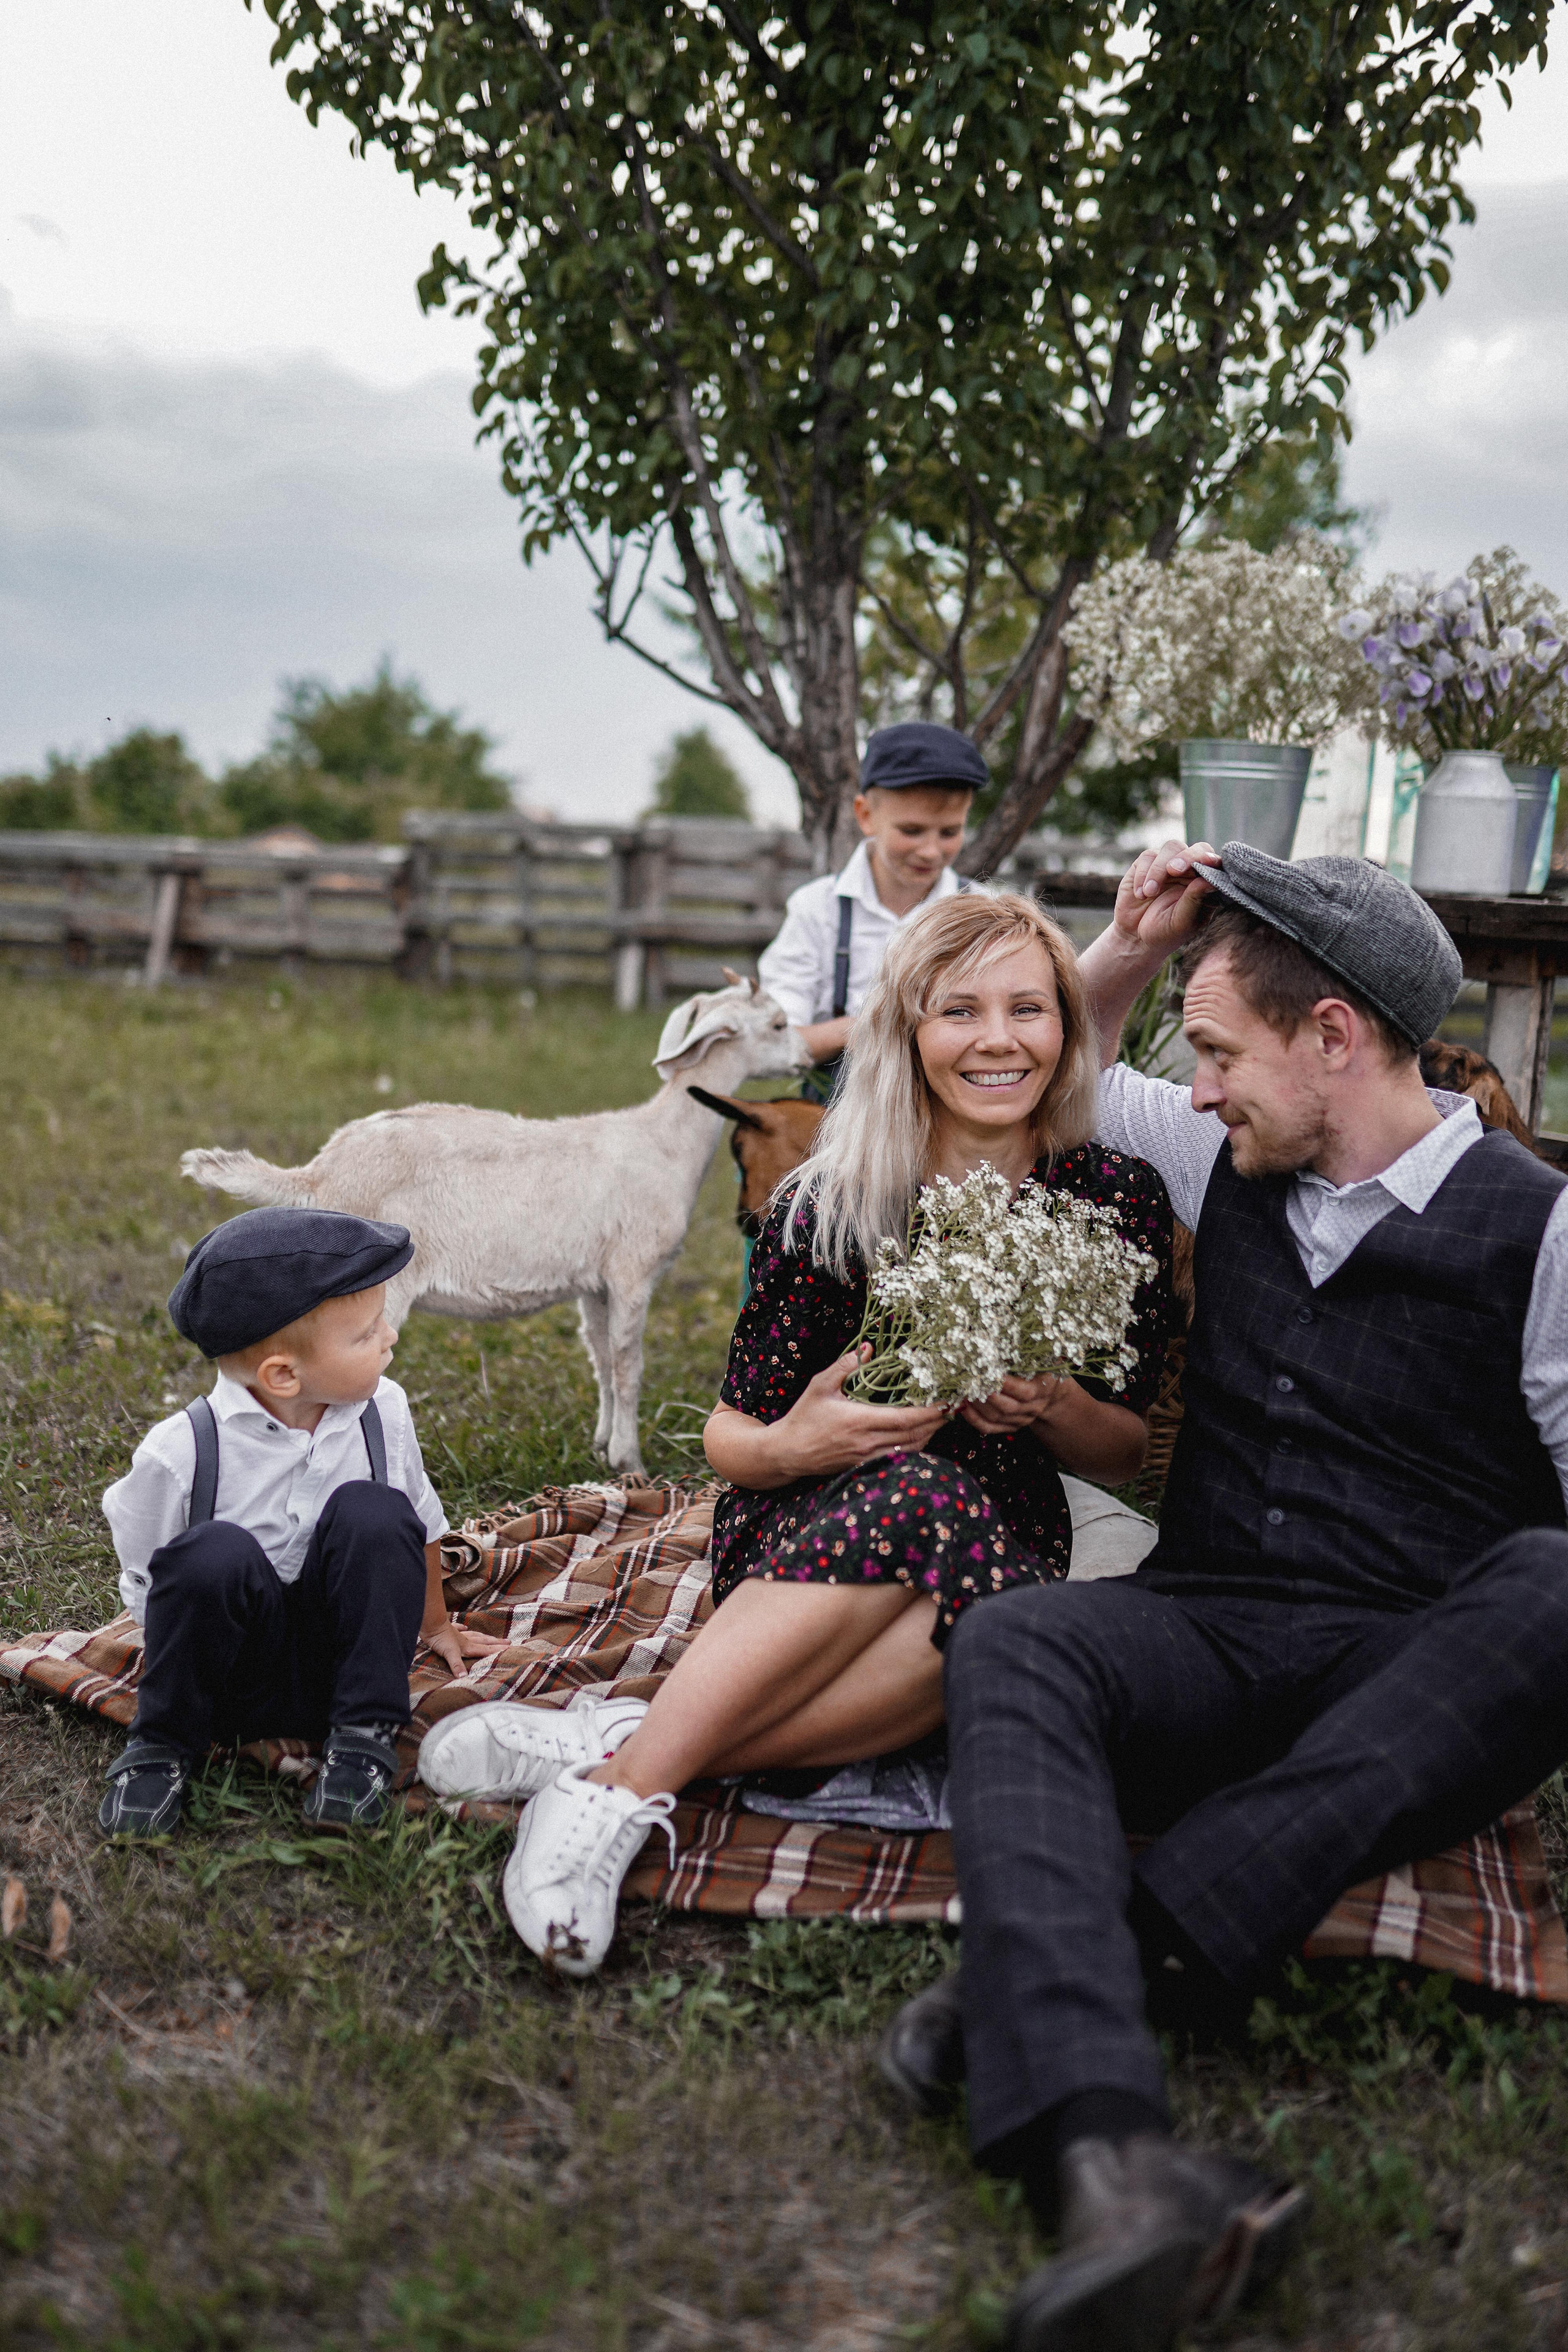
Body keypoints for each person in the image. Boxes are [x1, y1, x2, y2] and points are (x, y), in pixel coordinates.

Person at [880, 840, 1568, 2352]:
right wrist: (1125, 945)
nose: (1187, 1088)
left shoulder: (1542, 1227)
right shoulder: (1222, 1151)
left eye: (1213, 1051)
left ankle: (1081, 1956)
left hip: (1407, 1675)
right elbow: (1060, 1081)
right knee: (1017, 1634)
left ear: (1332, 1037)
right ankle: (1120, 2167)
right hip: (1206, 1624)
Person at [417, 891, 1174, 1972]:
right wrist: (806, 1441)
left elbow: (1121, 1450)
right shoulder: (832, 1200)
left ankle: (620, 1753)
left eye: (1030, 1008)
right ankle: (625, 1797)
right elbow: (732, 1438)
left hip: (1000, 1538)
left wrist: (1053, 1405)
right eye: (960, 1011)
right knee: (924, 1496)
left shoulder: (1112, 1199)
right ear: (909, 1030)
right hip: (801, 1528)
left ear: (1067, 1024)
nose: (1000, 1039)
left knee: (998, 1636)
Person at [99, 1205, 503, 1839]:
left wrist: (436, 1623)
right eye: (367, 1334)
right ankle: (162, 1746)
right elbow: (150, 1577)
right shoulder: (181, 1452)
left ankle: (362, 1742)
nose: (390, 1339)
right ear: (283, 1374)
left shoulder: (382, 1411)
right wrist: (180, 1664)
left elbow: (419, 1524)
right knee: (210, 1553)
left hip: (348, 1671)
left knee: (376, 1510)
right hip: (231, 1682)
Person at [758, 719, 988, 1101]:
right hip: (837, 1119)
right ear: (866, 816)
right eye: (912, 831)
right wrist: (872, 1024)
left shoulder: (982, 911)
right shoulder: (818, 910)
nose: (931, 851)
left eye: (949, 832)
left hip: (951, 1113)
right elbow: (773, 1042)